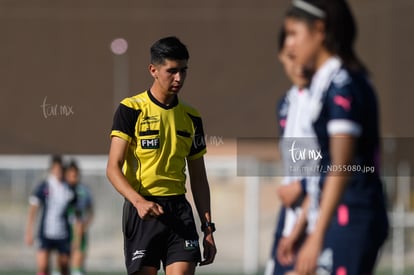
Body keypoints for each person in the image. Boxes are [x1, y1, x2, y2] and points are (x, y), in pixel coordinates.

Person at [282, 0, 389, 274]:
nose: (289, 45)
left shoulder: (343, 84)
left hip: (351, 216)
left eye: (294, 34)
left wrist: (316, 236)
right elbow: (322, 171)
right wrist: (301, 228)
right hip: (332, 217)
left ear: (319, 30)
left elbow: (341, 166)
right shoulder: (323, 83)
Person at [106, 36, 217, 275]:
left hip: (179, 212)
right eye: (172, 71)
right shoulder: (130, 109)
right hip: (143, 211)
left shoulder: (192, 117)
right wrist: (138, 202)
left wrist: (207, 227)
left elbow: (198, 178)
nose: (179, 78)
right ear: (153, 70)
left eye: (184, 71)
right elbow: (113, 168)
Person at [265, 28, 319, 275]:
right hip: (289, 218)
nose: (297, 65)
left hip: (315, 218)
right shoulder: (286, 103)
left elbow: (338, 166)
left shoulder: (323, 99)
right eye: (290, 56)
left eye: (301, 55)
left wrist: (304, 187)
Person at [25, 155, 80, 275]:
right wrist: (29, 231)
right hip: (46, 233)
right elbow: (34, 207)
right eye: (55, 169)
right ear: (51, 170)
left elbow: (75, 215)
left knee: (64, 266)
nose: (58, 172)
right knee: (43, 266)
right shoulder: (44, 186)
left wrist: (76, 237)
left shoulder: (68, 189)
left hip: (63, 234)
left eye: (60, 169)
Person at [65, 160, 94, 275]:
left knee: (77, 266)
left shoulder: (84, 191)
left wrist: (84, 226)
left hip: (80, 230)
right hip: (64, 232)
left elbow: (90, 212)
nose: (73, 178)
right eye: (71, 175)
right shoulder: (62, 189)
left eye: (75, 175)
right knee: (62, 265)